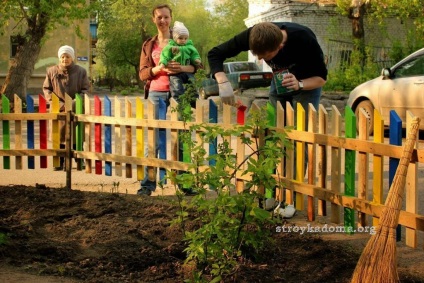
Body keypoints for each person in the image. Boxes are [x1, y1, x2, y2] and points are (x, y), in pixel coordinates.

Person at [208, 22, 327, 206]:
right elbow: (215, 53)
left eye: (266, 56)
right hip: (280, 80)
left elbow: (321, 78)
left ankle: (290, 198)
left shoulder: (304, 40)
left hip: (307, 83)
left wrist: (300, 84)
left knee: (298, 139)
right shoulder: (255, 34)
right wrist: (222, 81)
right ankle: (270, 190)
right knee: (272, 134)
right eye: (258, 56)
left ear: (280, 46)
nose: (262, 60)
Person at [138, 4, 198, 196]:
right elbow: (143, 73)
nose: (162, 20)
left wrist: (180, 69)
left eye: (166, 17)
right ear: (153, 19)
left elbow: (197, 66)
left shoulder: (182, 37)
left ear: (171, 18)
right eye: (159, 17)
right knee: (154, 138)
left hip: (181, 92)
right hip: (157, 91)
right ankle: (147, 185)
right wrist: (159, 69)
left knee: (183, 137)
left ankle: (185, 184)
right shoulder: (149, 45)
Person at [43, 45, 90, 171]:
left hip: (76, 108)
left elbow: (85, 89)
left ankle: (79, 160)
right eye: (63, 57)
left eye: (68, 56)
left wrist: (75, 103)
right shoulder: (51, 71)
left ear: (72, 58)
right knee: (59, 136)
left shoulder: (81, 71)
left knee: (76, 136)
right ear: (59, 58)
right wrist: (57, 103)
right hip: (58, 109)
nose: (65, 59)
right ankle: (59, 162)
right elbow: (47, 89)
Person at [158, 21, 202, 100]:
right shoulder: (170, 47)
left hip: (188, 72)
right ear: (175, 38)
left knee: (192, 85)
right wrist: (163, 63)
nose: (183, 40)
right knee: (177, 87)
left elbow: (194, 54)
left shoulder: (189, 46)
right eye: (180, 38)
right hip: (175, 74)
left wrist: (196, 60)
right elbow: (165, 56)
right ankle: (179, 102)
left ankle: (194, 101)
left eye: (185, 38)